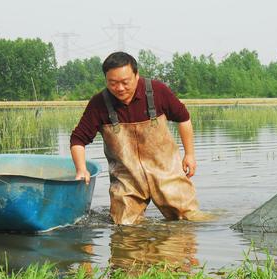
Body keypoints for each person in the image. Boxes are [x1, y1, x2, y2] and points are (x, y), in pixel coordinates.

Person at [70, 52, 206, 225]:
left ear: (136, 75)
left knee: (189, 222)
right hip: (127, 179)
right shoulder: (99, 103)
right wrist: (81, 169)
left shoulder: (157, 91)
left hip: (167, 172)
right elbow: (77, 139)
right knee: (124, 228)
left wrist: (190, 155)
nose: (119, 88)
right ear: (106, 79)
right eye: (113, 83)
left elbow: (184, 118)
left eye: (125, 82)